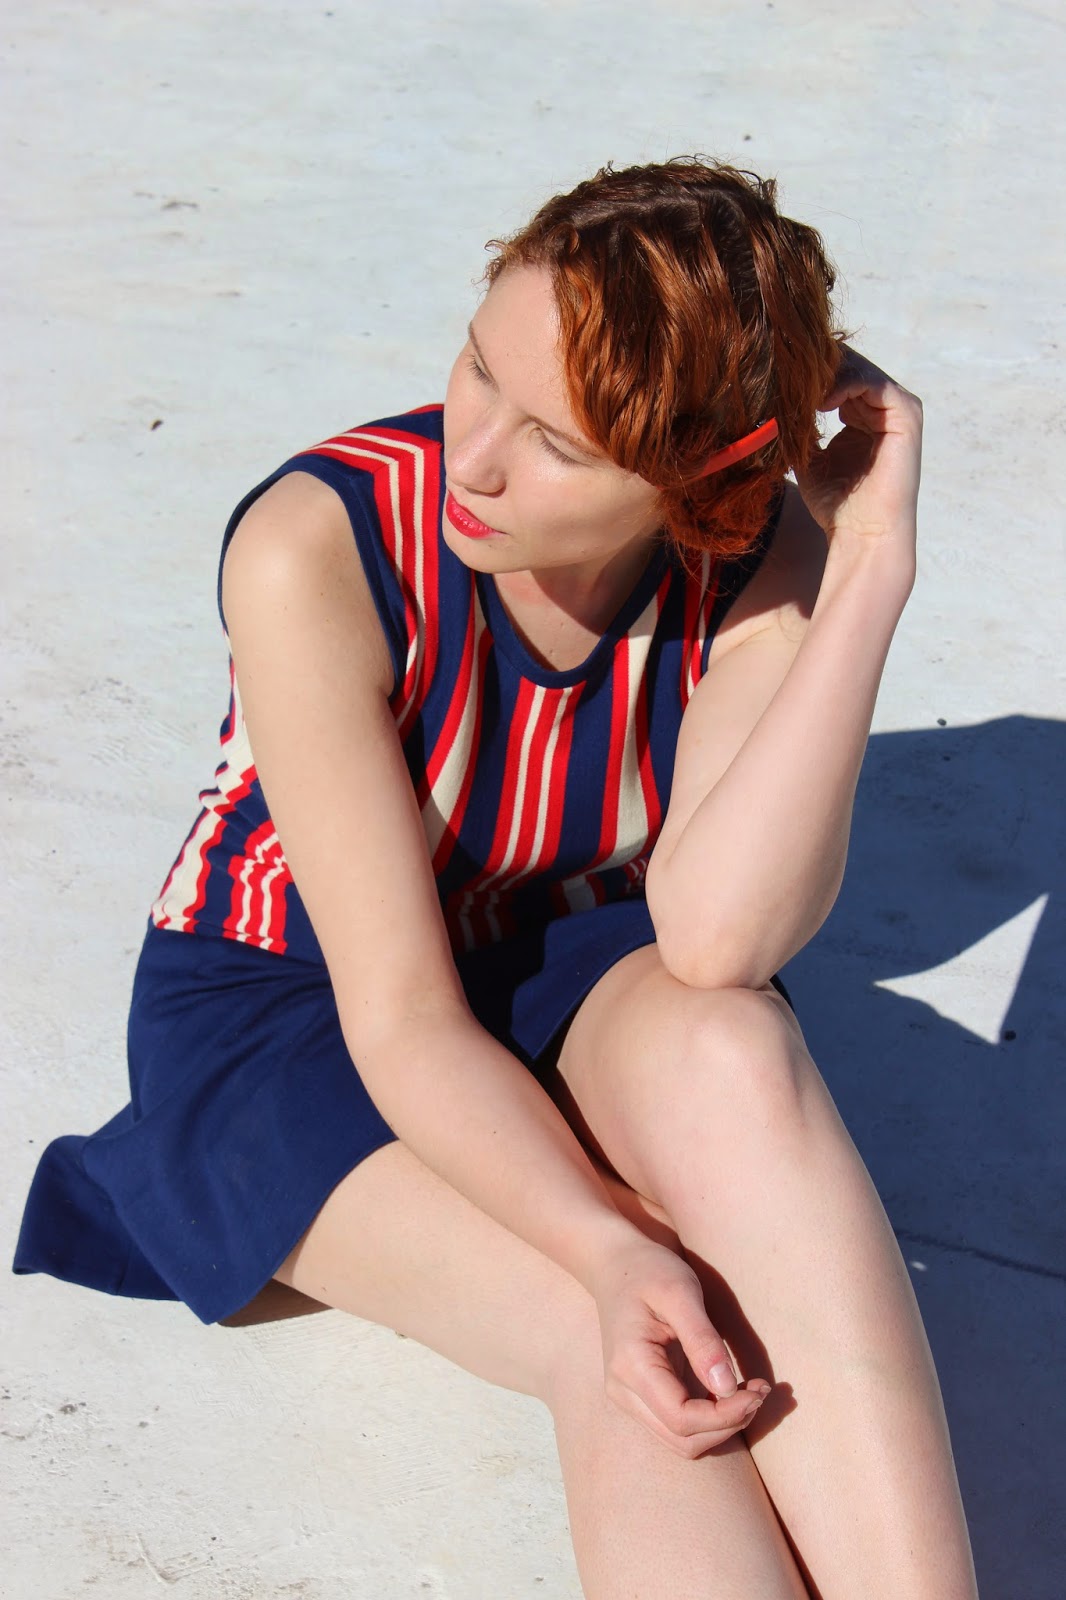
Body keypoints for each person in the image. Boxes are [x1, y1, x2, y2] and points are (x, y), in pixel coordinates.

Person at [14, 157, 979, 1599]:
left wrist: (867, 568)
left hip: (566, 957)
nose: (473, 457)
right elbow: (401, 1015)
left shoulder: (745, 552)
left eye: (556, 445)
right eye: (477, 368)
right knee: (634, 1340)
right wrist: (606, 1250)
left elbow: (717, 937)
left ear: (698, 483)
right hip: (301, 1011)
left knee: (731, 1044)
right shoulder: (322, 545)